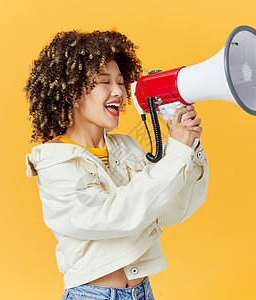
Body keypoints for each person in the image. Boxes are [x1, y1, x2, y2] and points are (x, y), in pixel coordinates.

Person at [24, 30, 209, 300]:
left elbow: (169, 210)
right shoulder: (54, 162)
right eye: (103, 81)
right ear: (69, 93)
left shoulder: (127, 147)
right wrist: (175, 153)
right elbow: (117, 216)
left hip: (142, 292)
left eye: (122, 82)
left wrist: (187, 146)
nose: (119, 92)